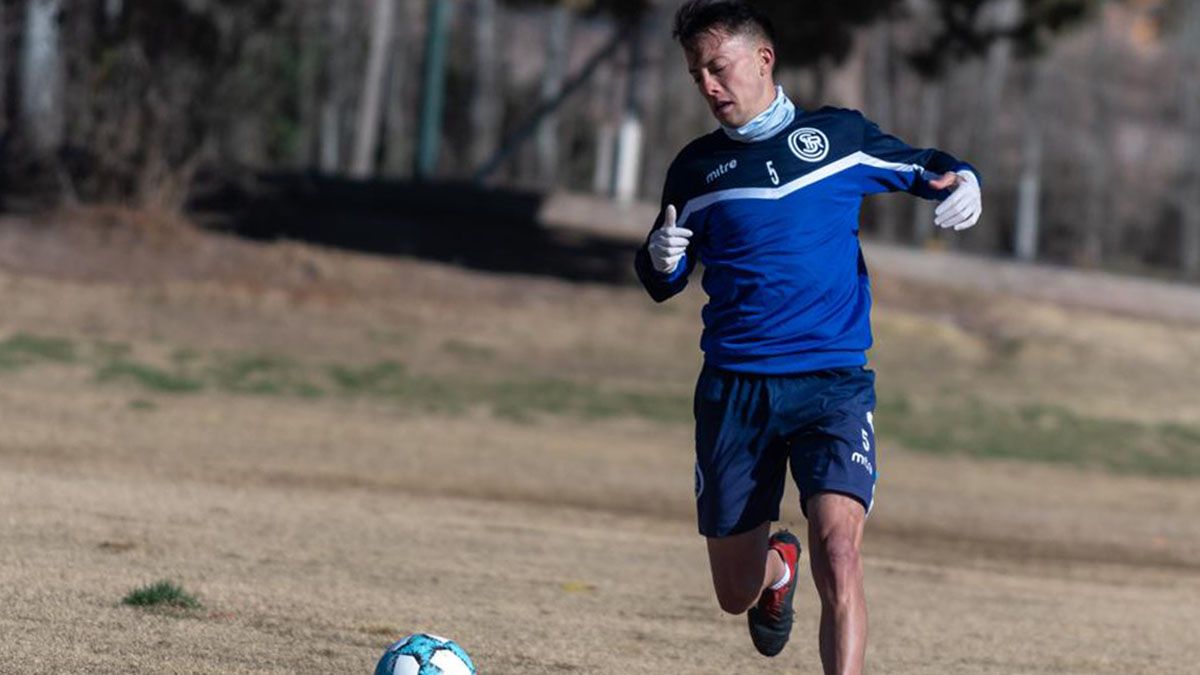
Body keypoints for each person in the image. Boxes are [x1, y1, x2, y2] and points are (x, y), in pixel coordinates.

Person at [634, 2, 982, 673]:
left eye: (717, 66)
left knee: (843, 555)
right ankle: (775, 570)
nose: (707, 84)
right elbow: (662, 278)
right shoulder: (695, 169)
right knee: (735, 593)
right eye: (695, 72)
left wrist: (966, 178)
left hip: (832, 385)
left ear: (763, 59)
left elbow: (927, 166)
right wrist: (659, 254)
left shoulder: (838, 138)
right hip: (735, 392)